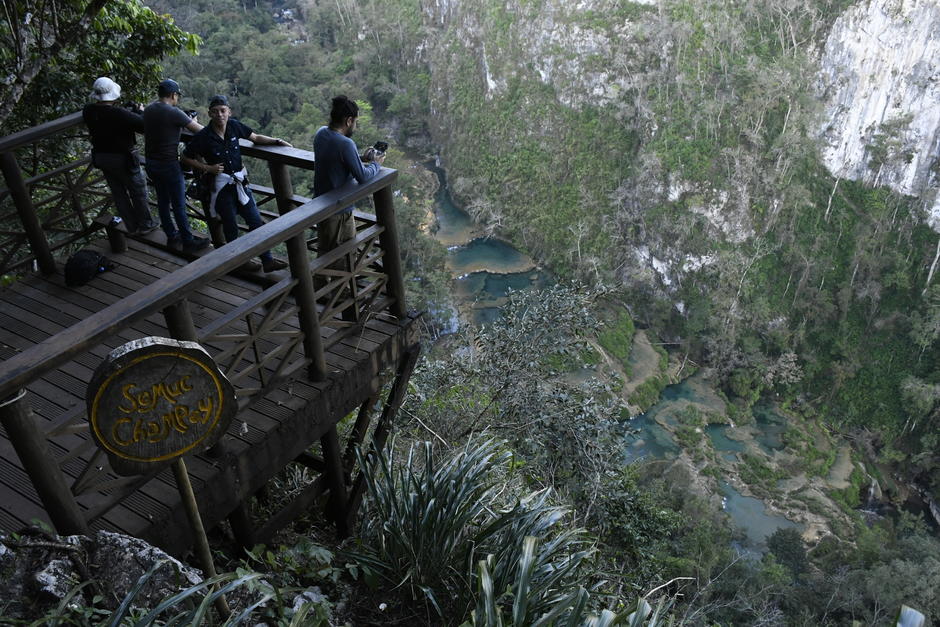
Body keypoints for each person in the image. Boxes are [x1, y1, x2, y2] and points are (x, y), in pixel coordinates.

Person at [180, 95, 289, 273]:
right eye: (215, 112)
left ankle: (267, 260)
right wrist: (207, 167)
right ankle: (238, 262)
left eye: (223, 111)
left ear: (229, 112)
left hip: (240, 183)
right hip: (222, 188)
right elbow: (185, 156)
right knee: (230, 226)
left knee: (255, 221)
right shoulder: (204, 136)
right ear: (209, 114)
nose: (220, 115)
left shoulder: (234, 126)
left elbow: (255, 137)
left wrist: (277, 141)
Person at [312, 95, 385, 265]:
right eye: (355, 122)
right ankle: (340, 292)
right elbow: (363, 177)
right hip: (339, 212)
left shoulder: (322, 133)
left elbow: (336, 159)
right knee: (343, 259)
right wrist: (376, 164)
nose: (355, 126)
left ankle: (319, 288)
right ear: (349, 120)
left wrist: (361, 159)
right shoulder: (345, 143)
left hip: (321, 206)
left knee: (324, 254)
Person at [82, 77, 158, 235]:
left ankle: (131, 227)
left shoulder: (88, 110)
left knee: (119, 194)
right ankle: (146, 224)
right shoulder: (119, 113)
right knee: (138, 191)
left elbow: (106, 117)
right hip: (124, 159)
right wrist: (140, 111)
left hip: (102, 158)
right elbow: (144, 126)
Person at [143, 79, 210, 252]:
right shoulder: (174, 112)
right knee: (179, 204)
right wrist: (191, 120)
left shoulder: (149, 109)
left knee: (163, 201)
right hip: (169, 164)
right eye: (177, 96)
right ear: (173, 95)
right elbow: (201, 131)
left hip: (151, 163)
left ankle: (172, 236)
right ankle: (188, 241)